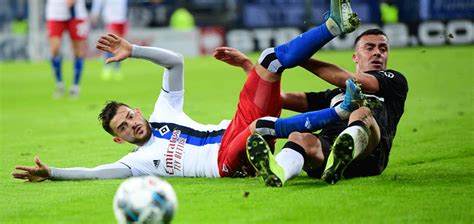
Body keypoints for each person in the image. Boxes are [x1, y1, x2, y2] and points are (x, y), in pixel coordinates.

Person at [11, 0, 362, 182]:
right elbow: (91, 173)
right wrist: (52, 172)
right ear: (119, 140)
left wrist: (134, 51)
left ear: (137, 109)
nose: (132, 123)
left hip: (236, 127)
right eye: (123, 127)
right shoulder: (135, 165)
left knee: (269, 61)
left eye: (130, 115)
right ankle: (340, 113)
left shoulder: (164, 112)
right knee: (261, 127)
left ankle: (334, 25)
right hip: (225, 162)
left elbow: (175, 62)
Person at [237, 28, 408, 186]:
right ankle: (278, 172)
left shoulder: (394, 81)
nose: (377, 53)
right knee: (299, 137)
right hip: (327, 153)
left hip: (370, 155)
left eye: (383, 49)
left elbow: (352, 81)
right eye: (369, 48)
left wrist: (299, 56)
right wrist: (251, 70)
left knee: (361, 111)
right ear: (355, 56)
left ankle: (342, 155)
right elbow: (280, 98)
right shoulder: (333, 95)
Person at [46, 0, 89, 98]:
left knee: (78, 50)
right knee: (54, 49)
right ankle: (59, 83)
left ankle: (75, 85)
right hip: (55, 13)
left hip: (77, 14)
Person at [91, 0, 128, 81]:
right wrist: (95, 13)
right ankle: (107, 67)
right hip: (111, 19)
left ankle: (117, 68)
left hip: (122, 19)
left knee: (120, 45)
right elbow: (98, 2)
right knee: (110, 43)